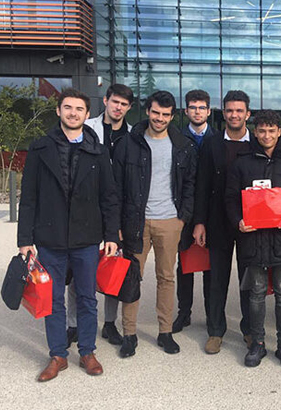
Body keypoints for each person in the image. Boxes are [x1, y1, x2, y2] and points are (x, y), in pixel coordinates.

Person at [18, 88, 119, 381]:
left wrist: (111, 234)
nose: (73, 113)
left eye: (79, 109)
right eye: (68, 108)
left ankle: (87, 351)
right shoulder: (39, 148)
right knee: (52, 300)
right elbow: (29, 198)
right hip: (50, 239)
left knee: (87, 298)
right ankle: (58, 355)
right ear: (59, 111)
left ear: (87, 115)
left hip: (86, 239)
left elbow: (109, 197)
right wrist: (25, 240)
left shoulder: (98, 151)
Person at [113, 91, 197, 357]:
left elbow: (190, 184)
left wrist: (182, 217)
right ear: (147, 111)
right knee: (131, 277)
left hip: (169, 221)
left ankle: (165, 332)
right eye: (155, 113)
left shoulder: (183, 145)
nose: (159, 118)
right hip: (135, 221)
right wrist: (115, 224)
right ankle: (129, 334)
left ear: (172, 116)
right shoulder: (129, 143)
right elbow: (116, 187)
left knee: (167, 277)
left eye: (165, 114)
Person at [226, 109, 281, 367]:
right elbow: (230, 198)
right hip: (253, 239)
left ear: (279, 131)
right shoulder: (242, 162)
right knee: (257, 293)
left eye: (271, 130)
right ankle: (257, 343)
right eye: (261, 130)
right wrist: (238, 221)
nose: (266, 135)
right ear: (256, 130)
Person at [65, 83, 133, 348]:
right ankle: (73, 324)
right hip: (84, 209)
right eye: (115, 101)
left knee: (112, 268)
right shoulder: (86, 128)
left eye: (124, 104)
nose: (118, 107)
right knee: (77, 271)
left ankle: (110, 323)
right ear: (105, 100)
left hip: (116, 209)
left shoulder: (132, 135)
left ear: (128, 108)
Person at [192, 90, 254, 354]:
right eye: (229, 110)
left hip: (251, 223)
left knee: (250, 279)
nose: (234, 115)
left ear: (247, 114)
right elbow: (201, 184)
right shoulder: (212, 143)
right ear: (223, 113)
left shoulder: (258, 143)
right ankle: (216, 331)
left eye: (239, 110)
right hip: (217, 221)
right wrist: (199, 222)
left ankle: (251, 329)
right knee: (216, 280)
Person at [173, 89, 217, 334]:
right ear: (186, 111)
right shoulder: (176, 139)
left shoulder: (217, 139)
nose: (197, 111)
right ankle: (184, 312)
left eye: (202, 107)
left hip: (212, 214)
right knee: (184, 265)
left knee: (212, 267)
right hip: (185, 212)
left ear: (209, 111)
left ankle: (212, 316)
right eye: (193, 107)